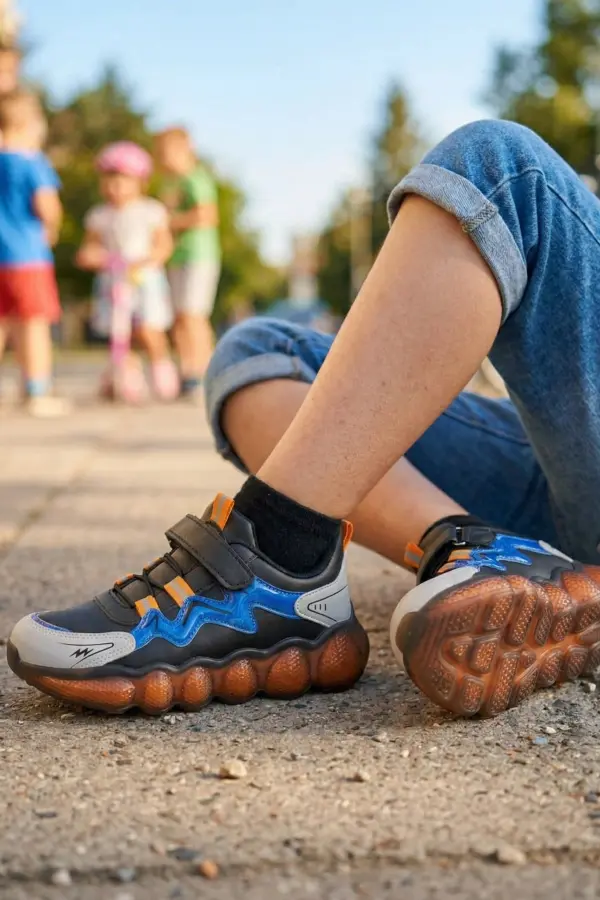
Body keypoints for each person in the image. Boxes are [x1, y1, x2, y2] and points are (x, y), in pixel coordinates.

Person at [8, 120, 600, 719]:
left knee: (503, 171)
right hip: (556, 463)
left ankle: (276, 555)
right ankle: (475, 549)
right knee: (258, 353)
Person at [77, 142, 179, 402]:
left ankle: (162, 370)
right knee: (119, 332)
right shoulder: (99, 215)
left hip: (143, 279)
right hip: (113, 280)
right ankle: (127, 377)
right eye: (109, 180)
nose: (115, 187)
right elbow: (90, 247)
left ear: (140, 182)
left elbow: (164, 244)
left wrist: (150, 258)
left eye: (122, 181)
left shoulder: (150, 211)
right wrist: (92, 255)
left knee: (148, 328)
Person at [0, 88, 68, 417]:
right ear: (30, 125)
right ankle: (37, 390)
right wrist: (52, 225)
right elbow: (47, 206)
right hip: (27, 256)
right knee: (33, 324)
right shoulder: (32, 162)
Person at [154, 127, 221, 400]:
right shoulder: (167, 184)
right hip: (176, 257)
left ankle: (205, 372)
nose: (163, 159)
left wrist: (170, 221)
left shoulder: (196, 179)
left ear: (185, 150)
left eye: (167, 152)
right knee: (179, 317)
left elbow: (207, 216)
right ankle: (187, 372)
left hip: (199, 256)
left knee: (194, 314)